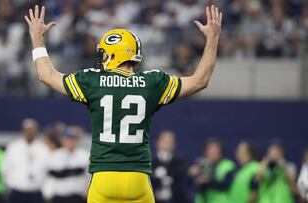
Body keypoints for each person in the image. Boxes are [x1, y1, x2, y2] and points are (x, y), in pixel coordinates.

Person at [24, 4, 222, 203]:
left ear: (114, 54)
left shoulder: (93, 81)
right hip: (138, 179)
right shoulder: (152, 83)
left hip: (104, 178)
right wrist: (212, 39)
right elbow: (200, 80)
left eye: (104, 54)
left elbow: (46, 75)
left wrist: (37, 37)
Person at [1, 119, 49, 203]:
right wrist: (9, 186)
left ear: (36, 131)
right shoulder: (13, 147)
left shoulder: (43, 149)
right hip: (17, 192)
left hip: (36, 193)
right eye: (27, 130)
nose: (29, 132)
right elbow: (5, 169)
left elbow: (47, 170)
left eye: (32, 130)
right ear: (22, 130)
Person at [45, 126, 89, 203]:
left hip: (77, 197)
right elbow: (50, 176)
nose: (70, 141)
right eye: (68, 138)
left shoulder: (84, 155)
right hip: (59, 197)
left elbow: (88, 177)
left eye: (73, 139)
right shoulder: (55, 155)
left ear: (77, 140)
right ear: (63, 140)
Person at [188, 138, 236, 203]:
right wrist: (191, 175)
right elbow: (189, 184)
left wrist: (209, 181)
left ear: (220, 152)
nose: (211, 152)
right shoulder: (202, 165)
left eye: (215, 150)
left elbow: (226, 185)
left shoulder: (228, 166)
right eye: (209, 149)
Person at [151, 131, 188, 203]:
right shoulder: (150, 162)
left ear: (174, 144)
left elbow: (183, 180)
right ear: (158, 142)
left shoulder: (180, 161)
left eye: (170, 142)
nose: (167, 144)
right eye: (165, 141)